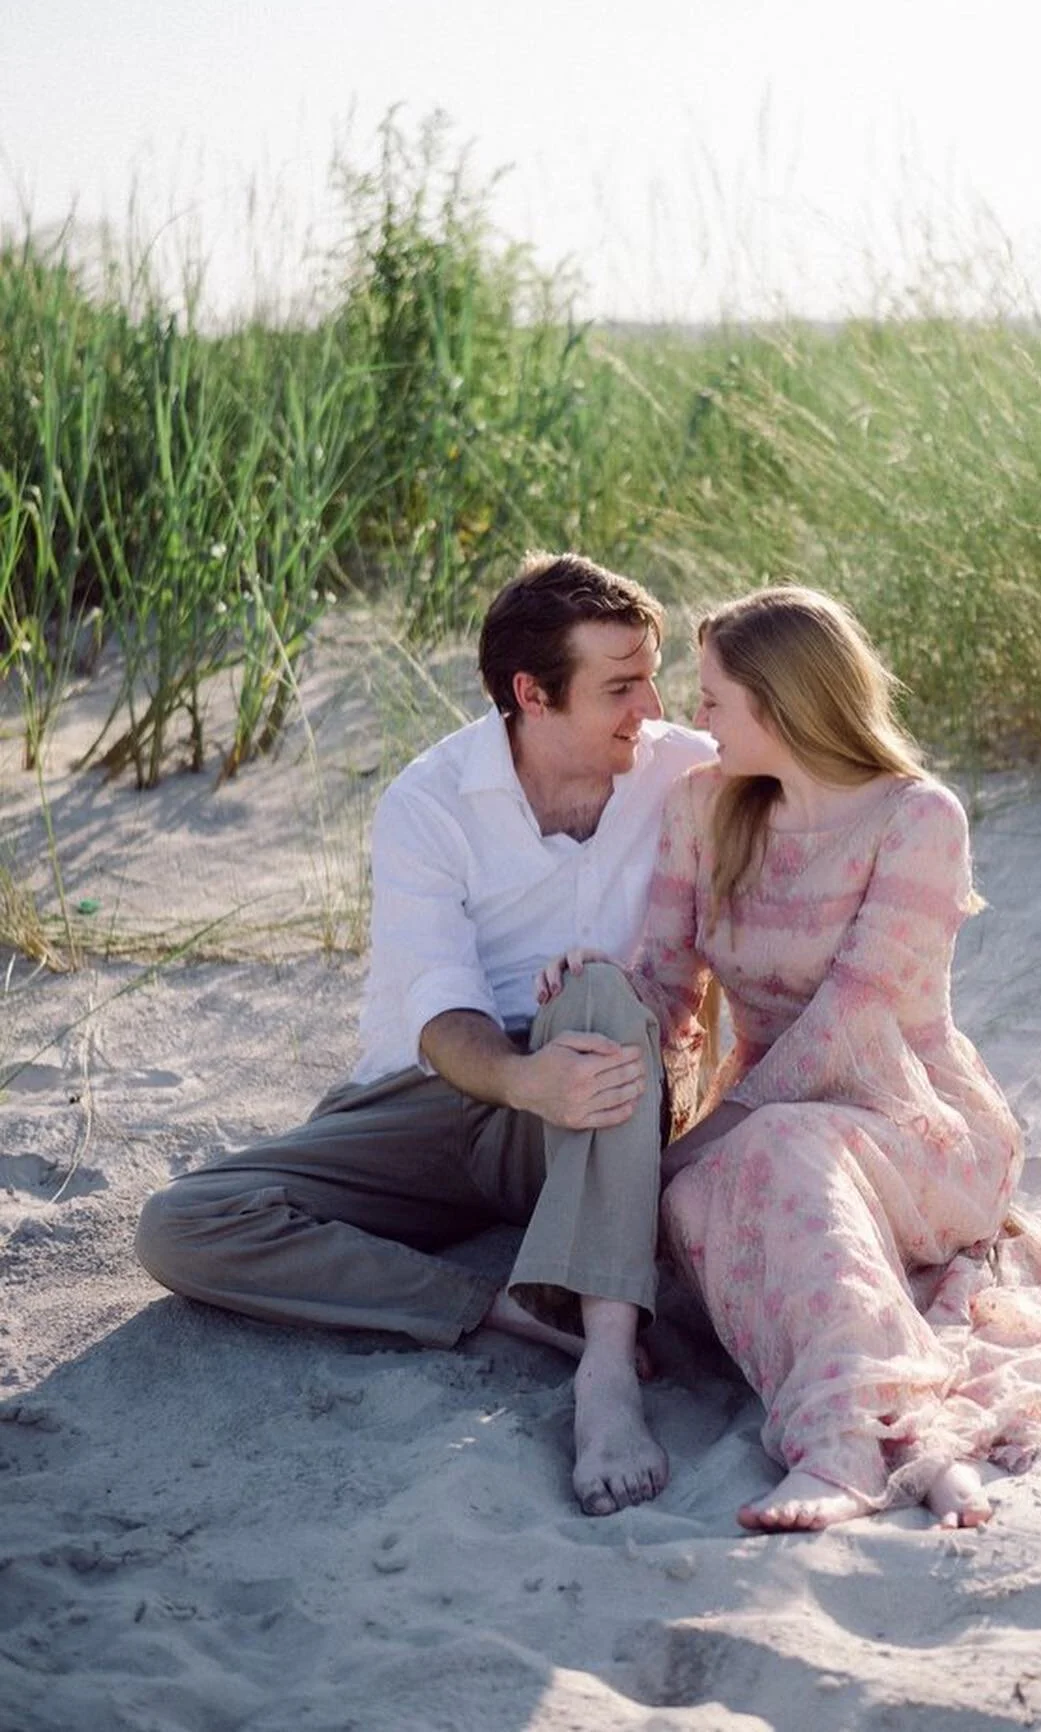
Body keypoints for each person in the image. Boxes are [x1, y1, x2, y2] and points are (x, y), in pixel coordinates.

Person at [540, 585, 1041, 1533]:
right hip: (773, 1118)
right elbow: (668, 987)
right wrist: (603, 983)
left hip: (914, 1119)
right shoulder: (705, 807)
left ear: (779, 706)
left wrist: (697, 1145)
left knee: (758, 1160)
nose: (694, 722)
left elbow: (850, 1025)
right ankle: (878, 1415)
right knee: (717, 1184)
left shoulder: (916, 819)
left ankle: (843, 1443)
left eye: (713, 702)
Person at [135, 552, 714, 1517]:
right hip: (438, 1093)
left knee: (603, 1001)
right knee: (181, 1227)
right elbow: (440, 1011)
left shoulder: (683, 769)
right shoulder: (430, 799)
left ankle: (605, 1368)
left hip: (596, 1098)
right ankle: (499, 1309)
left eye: (650, 674)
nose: (648, 705)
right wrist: (527, 1083)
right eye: (620, 685)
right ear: (531, 693)